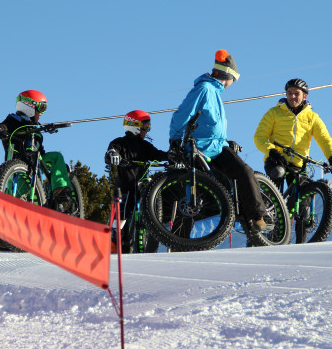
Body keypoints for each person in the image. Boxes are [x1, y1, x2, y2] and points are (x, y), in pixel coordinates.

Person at [169, 49, 268, 234]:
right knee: (193, 195)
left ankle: (255, 218)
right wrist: (174, 139)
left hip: (217, 147)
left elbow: (210, 126)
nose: (233, 84)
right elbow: (182, 115)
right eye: (234, 80)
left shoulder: (214, 93)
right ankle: (256, 216)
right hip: (200, 148)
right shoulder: (204, 89)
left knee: (242, 173)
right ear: (228, 75)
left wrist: (226, 141)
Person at [254, 78, 332, 241]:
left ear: (304, 96)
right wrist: (272, 152)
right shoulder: (274, 113)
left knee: (305, 202)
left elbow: (324, 138)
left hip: (298, 163)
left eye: (296, 93)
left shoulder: (312, 117)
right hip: (276, 160)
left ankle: (302, 244)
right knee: (278, 174)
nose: (292, 97)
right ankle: (268, 220)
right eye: (289, 93)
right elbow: (259, 137)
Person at [0, 90, 75, 208]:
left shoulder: (35, 128)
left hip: (37, 163)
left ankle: (60, 189)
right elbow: (3, 125)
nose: (42, 113)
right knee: (16, 196)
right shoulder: (14, 120)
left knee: (56, 157)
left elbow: (41, 150)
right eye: (41, 107)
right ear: (29, 106)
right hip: (18, 166)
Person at [105, 110, 168, 252]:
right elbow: (110, 153)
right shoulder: (119, 143)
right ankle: (115, 243)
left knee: (150, 197)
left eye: (148, 126)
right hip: (126, 188)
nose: (147, 130)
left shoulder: (145, 146)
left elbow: (158, 155)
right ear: (134, 126)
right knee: (121, 216)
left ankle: (149, 230)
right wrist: (113, 155)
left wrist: (172, 157)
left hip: (141, 185)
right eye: (145, 126)